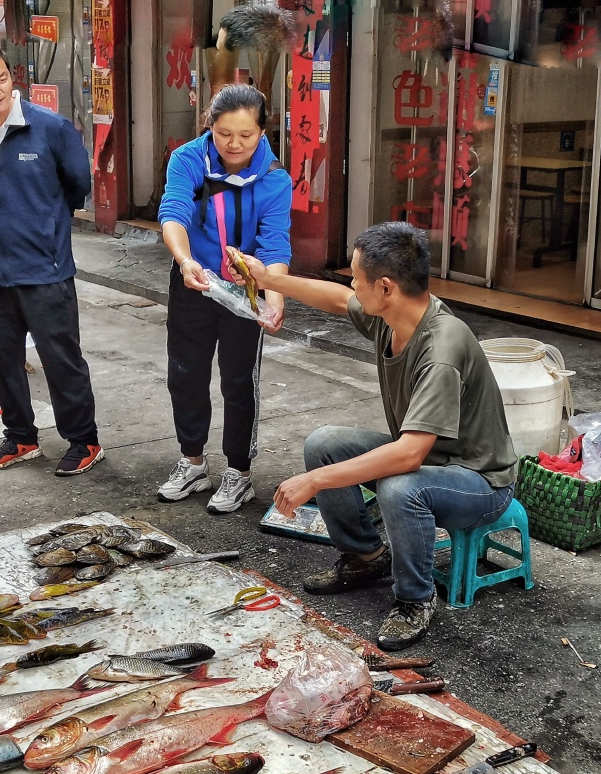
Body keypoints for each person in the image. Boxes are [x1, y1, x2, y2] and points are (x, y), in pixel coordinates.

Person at [232, 222, 517, 651]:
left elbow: (408, 455)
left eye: (356, 277)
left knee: (400, 488)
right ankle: (366, 557)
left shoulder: (441, 349)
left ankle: (414, 601)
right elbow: (334, 298)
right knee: (324, 443)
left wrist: (313, 482)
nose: (350, 284)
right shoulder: (394, 313)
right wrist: (267, 279)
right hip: (431, 460)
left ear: (385, 287)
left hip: (479, 481)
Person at [0, 39, 102, 477]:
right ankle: (21, 438)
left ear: (13, 77)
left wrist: (38, 225)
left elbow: (76, 186)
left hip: (44, 270)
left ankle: (84, 440)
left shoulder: (51, 128)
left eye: (2, 79)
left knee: (61, 359)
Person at [156, 84, 291, 514]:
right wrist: (184, 260)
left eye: (245, 135)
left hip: (246, 290)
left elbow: (274, 245)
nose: (234, 144)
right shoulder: (189, 159)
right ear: (209, 127)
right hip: (194, 280)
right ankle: (192, 461)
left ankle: (239, 473)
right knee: (186, 374)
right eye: (223, 133)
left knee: (238, 381)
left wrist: (275, 299)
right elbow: (174, 210)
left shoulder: (274, 179)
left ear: (262, 132)